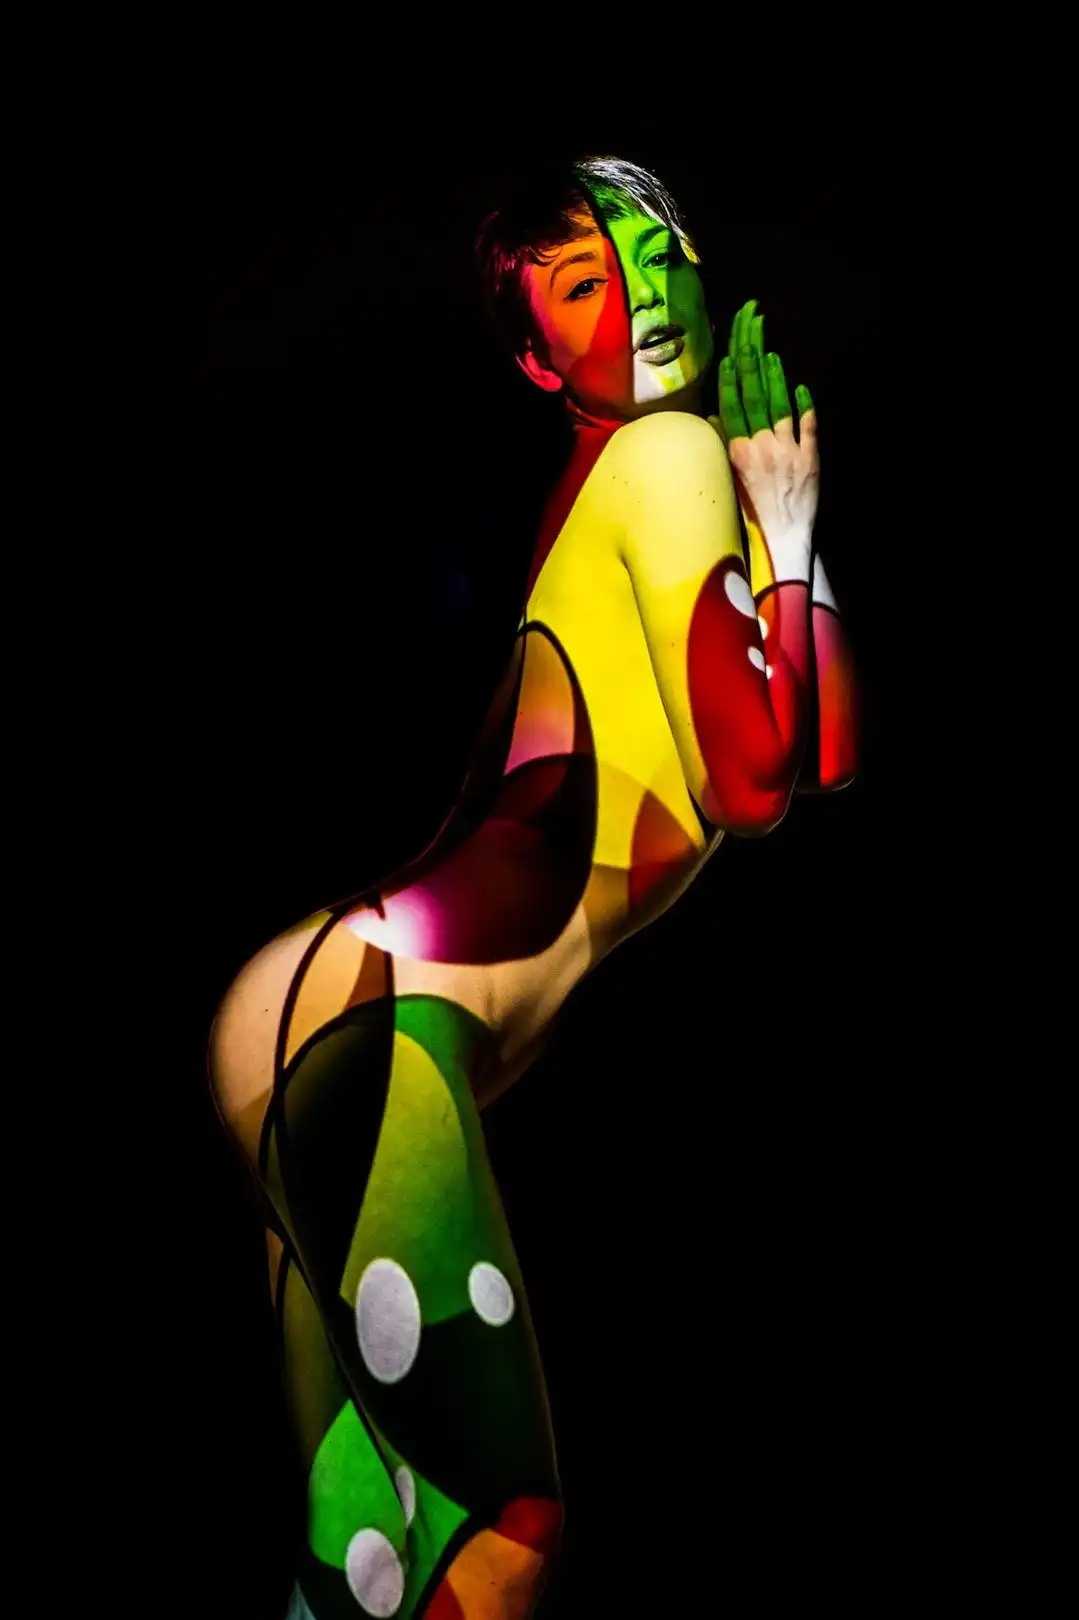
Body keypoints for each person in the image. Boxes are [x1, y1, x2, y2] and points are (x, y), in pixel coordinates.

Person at [208, 154, 857, 1620]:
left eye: (647, 253)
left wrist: (789, 526)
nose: (635, 293)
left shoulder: (622, 495)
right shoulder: (666, 462)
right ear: (535, 358)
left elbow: (825, 750)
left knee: (366, 1571)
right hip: (379, 1023)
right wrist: (782, 528)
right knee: (504, 1540)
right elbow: (755, 782)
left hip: (319, 1015)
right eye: (582, 282)